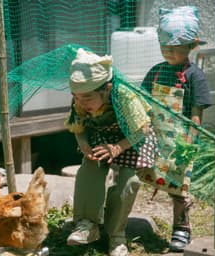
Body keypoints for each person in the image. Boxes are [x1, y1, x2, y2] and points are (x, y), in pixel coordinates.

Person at [64, 48, 158, 256]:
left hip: (132, 139)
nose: (80, 103)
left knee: (128, 182)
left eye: (87, 98)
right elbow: (77, 128)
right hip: (101, 136)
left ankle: (116, 236)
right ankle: (87, 225)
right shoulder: (80, 99)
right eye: (76, 98)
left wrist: (117, 148)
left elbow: (142, 128)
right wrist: (84, 145)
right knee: (90, 168)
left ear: (106, 89)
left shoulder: (124, 96)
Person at [141, 6, 211, 252]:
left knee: (178, 188)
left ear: (191, 46)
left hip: (180, 142)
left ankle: (181, 228)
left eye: (175, 47)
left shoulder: (195, 76)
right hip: (155, 138)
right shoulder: (156, 72)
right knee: (146, 176)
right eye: (164, 47)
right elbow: (144, 102)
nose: (168, 51)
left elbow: (196, 114)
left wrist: (189, 144)